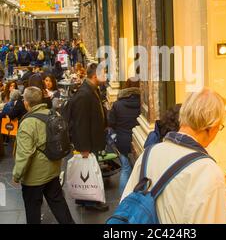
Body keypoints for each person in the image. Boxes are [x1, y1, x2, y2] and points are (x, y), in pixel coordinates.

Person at [121, 88, 226, 224]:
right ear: (212, 127)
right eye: (220, 127)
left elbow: (125, 205)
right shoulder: (208, 172)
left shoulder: (149, 154)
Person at [12, 87, 75, 224]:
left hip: (34, 177)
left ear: (26, 102)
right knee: (59, 204)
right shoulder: (54, 114)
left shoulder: (27, 123)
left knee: (33, 210)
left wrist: (17, 175)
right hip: (53, 169)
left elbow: (24, 154)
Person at [70, 63, 108, 211]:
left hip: (94, 140)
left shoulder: (92, 90)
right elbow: (80, 123)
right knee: (89, 171)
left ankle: (84, 199)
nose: (105, 76)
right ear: (95, 76)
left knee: (89, 170)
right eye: (103, 73)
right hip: (88, 144)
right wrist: (84, 148)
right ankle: (90, 202)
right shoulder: (84, 94)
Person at [107, 78, 141, 195]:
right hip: (138, 140)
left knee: (126, 168)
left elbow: (110, 123)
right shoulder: (143, 104)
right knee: (140, 171)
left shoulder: (117, 104)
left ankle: (123, 199)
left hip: (122, 141)